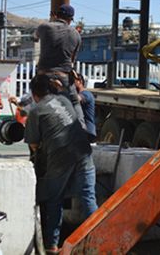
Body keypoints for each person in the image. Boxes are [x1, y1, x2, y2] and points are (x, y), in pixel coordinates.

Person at [24, 74, 97, 253]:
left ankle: (52, 245)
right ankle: (100, 239)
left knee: (54, 199)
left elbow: (33, 145)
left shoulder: (36, 110)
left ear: (34, 94)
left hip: (59, 158)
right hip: (83, 151)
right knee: (88, 196)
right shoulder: (64, 100)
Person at [35, 3, 86, 130]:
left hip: (43, 77)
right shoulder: (75, 34)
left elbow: (34, 37)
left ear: (56, 15)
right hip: (63, 76)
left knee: (38, 104)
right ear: (70, 19)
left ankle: (35, 134)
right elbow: (72, 60)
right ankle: (82, 129)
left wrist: (50, 22)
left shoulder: (44, 27)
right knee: (74, 102)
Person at [74, 75, 96, 142]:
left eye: (73, 82)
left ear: (80, 82)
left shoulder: (86, 94)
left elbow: (77, 98)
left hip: (87, 131)